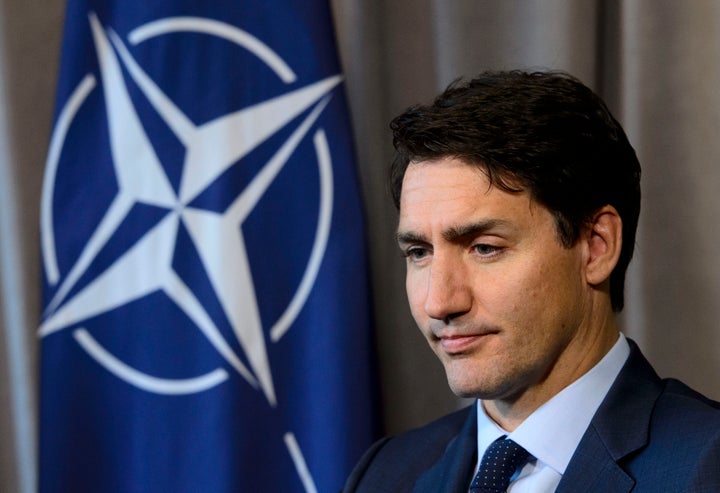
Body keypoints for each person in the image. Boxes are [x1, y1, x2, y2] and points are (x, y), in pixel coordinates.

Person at [344, 70, 720, 492]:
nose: (439, 302)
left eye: (484, 247)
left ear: (596, 246)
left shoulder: (707, 466)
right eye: (419, 253)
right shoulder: (383, 475)